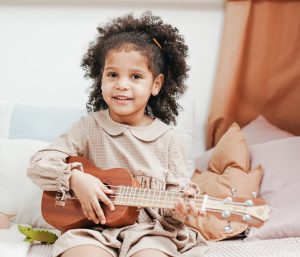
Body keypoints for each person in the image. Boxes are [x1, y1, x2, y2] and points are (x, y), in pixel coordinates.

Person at [28, 11, 207, 257]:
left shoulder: (169, 140)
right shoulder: (87, 127)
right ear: (100, 78)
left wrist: (182, 207)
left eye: (136, 76)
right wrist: (76, 180)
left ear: (156, 84)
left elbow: (173, 205)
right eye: (113, 74)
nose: (122, 84)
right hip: (93, 229)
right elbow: (39, 164)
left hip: (150, 234)